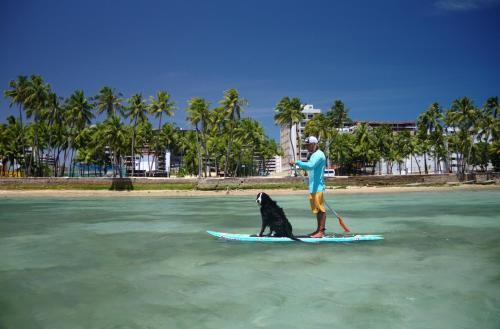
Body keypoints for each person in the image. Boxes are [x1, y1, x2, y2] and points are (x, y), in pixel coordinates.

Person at [289, 136, 327, 238]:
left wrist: (297, 162)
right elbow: (309, 167)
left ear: (315, 144)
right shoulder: (314, 155)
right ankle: (318, 230)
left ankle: (321, 231)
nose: (307, 148)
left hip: (318, 186)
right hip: (313, 186)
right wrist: (296, 165)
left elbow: (310, 166)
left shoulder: (319, 155)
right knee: (316, 210)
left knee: (320, 209)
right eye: (306, 146)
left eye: (308, 145)